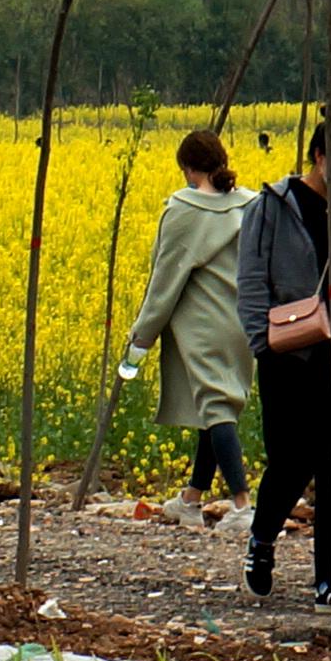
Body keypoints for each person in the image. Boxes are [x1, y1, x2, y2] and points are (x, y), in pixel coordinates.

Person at [236, 104, 331, 600]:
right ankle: (262, 539)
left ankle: (329, 577)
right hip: (292, 356)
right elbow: (251, 280)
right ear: (320, 154)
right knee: (290, 462)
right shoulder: (272, 207)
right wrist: (263, 344)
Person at [117, 129, 256, 524]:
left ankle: (242, 505)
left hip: (203, 324)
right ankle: (191, 499)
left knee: (216, 409)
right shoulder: (249, 206)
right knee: (212, 408)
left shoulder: (184, 210)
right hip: (241, 321)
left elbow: (166, 280)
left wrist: (141, 338)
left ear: (187, 168)